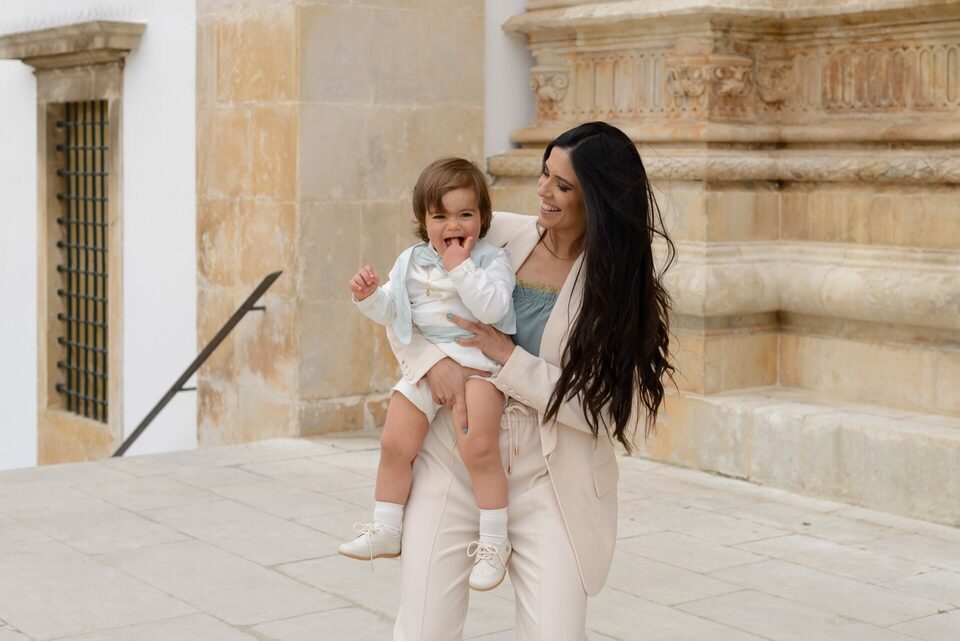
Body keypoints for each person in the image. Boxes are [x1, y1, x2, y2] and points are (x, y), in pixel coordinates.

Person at [386, 122, 675, 640]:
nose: (543, 190)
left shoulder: (618, 287)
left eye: (562, 185)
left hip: (550, 476)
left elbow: (602, 409)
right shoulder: (494, 233)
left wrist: (509, 359)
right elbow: (406, 303)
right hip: (454, 454)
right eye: (545, 173)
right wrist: (432, 364)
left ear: (598, 199)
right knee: (422, 630)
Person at [338, 157, 519, 592]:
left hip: (479, 367)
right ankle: (387, 527)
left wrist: (461, 267)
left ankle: (495, 542)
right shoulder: (411, 262)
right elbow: (393, 311)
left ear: (482, 217)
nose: (452, 225)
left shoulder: (491, 260)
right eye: (440, 216)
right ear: (424, 221)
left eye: (465, 214)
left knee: (479, 447)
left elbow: (494, 308)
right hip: (426, 365)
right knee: (393, 443)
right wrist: (368, 297)